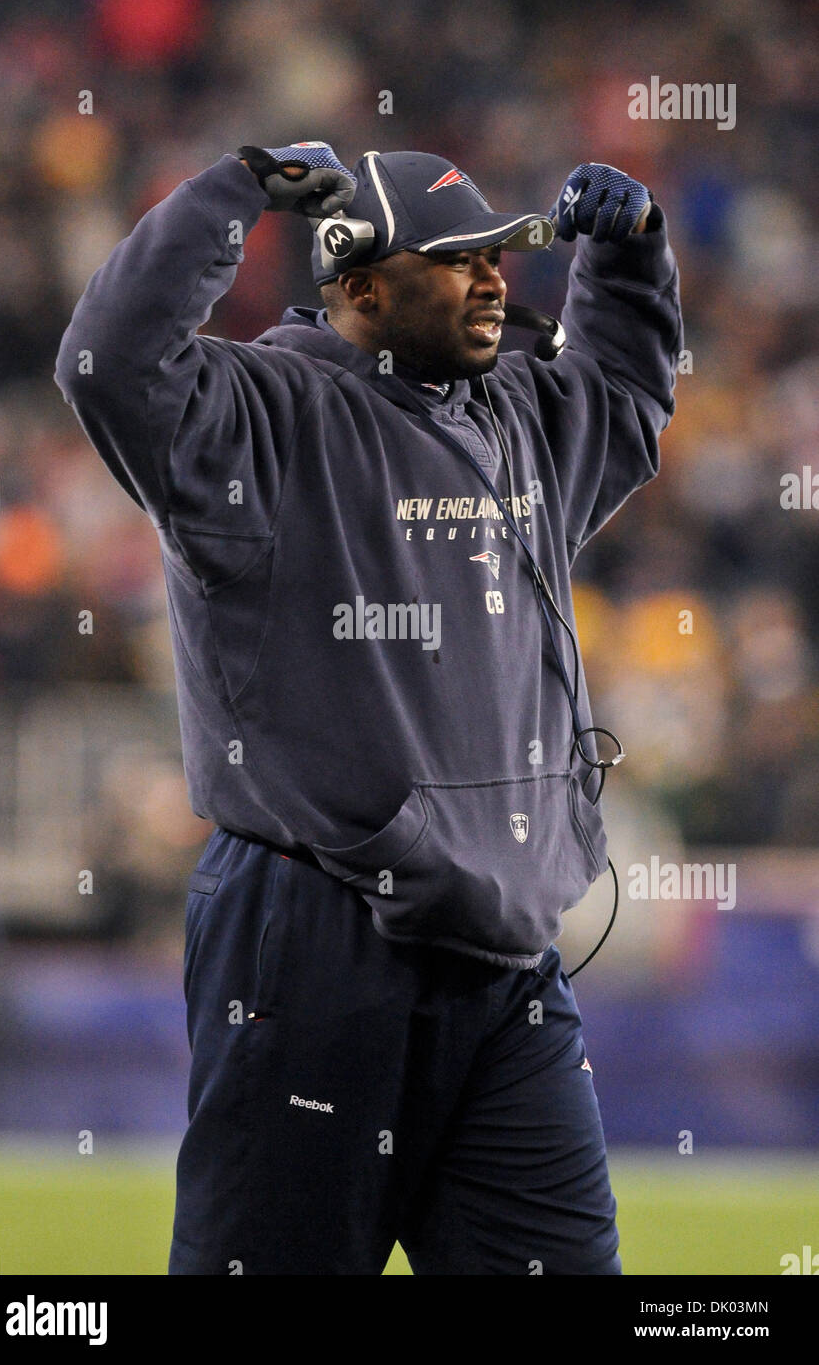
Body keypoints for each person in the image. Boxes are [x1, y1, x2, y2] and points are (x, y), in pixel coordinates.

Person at [55, 139, 682, 1275]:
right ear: (358, 286)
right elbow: (108, 364)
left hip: (507, 953)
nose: (495, 278)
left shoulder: (517, 417)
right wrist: (226, 194)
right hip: (316, 937)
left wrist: (629, 258)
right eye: (458, 260)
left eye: (500, 254)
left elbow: (629, 396)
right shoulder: (262, 413)